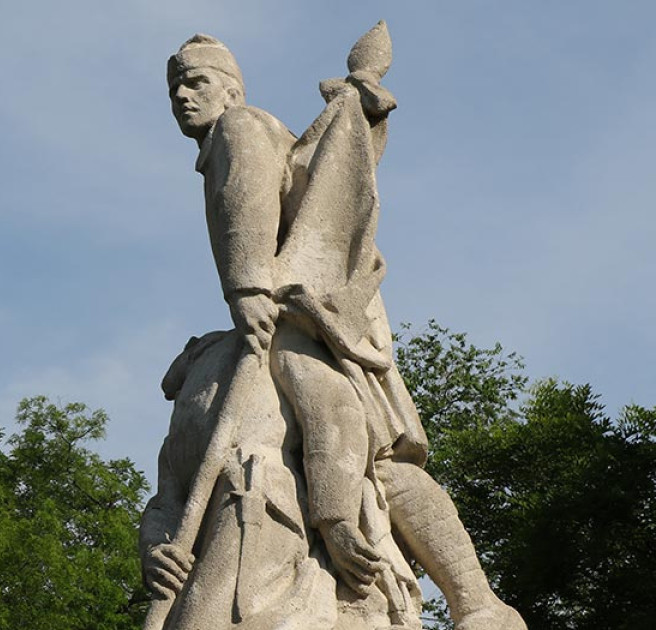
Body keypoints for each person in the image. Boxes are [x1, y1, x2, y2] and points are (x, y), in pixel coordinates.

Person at [142, 31, 525, 630]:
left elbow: (251, 199)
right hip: (295, 312)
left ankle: (477, 602)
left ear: (231, 89)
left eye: (196, 82)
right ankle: (475, 601)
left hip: (299, 306)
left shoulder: (239, 127)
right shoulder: (203, 381)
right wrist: (156, 547)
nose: (182, 97)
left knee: (370, 451)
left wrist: (247, 288)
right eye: (174, 89)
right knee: (380, 459)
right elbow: (169, 491)